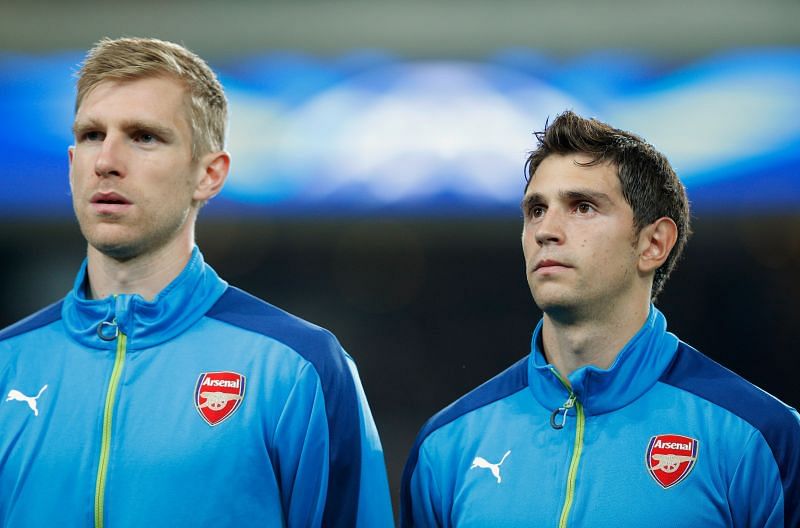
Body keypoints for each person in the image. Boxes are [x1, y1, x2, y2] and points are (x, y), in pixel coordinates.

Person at [0, 37, 393, 527]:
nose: (107, 161)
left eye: (144, 136)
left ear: (209, 174)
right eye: (91, 135)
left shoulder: (298, 369)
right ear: (71, 162)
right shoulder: (8, 365)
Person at [401, 111, 800, 527]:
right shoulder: (446, 447)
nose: (545, 231)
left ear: (653, 243)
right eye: (536, 210)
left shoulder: (761, 439)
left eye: (582, 207)